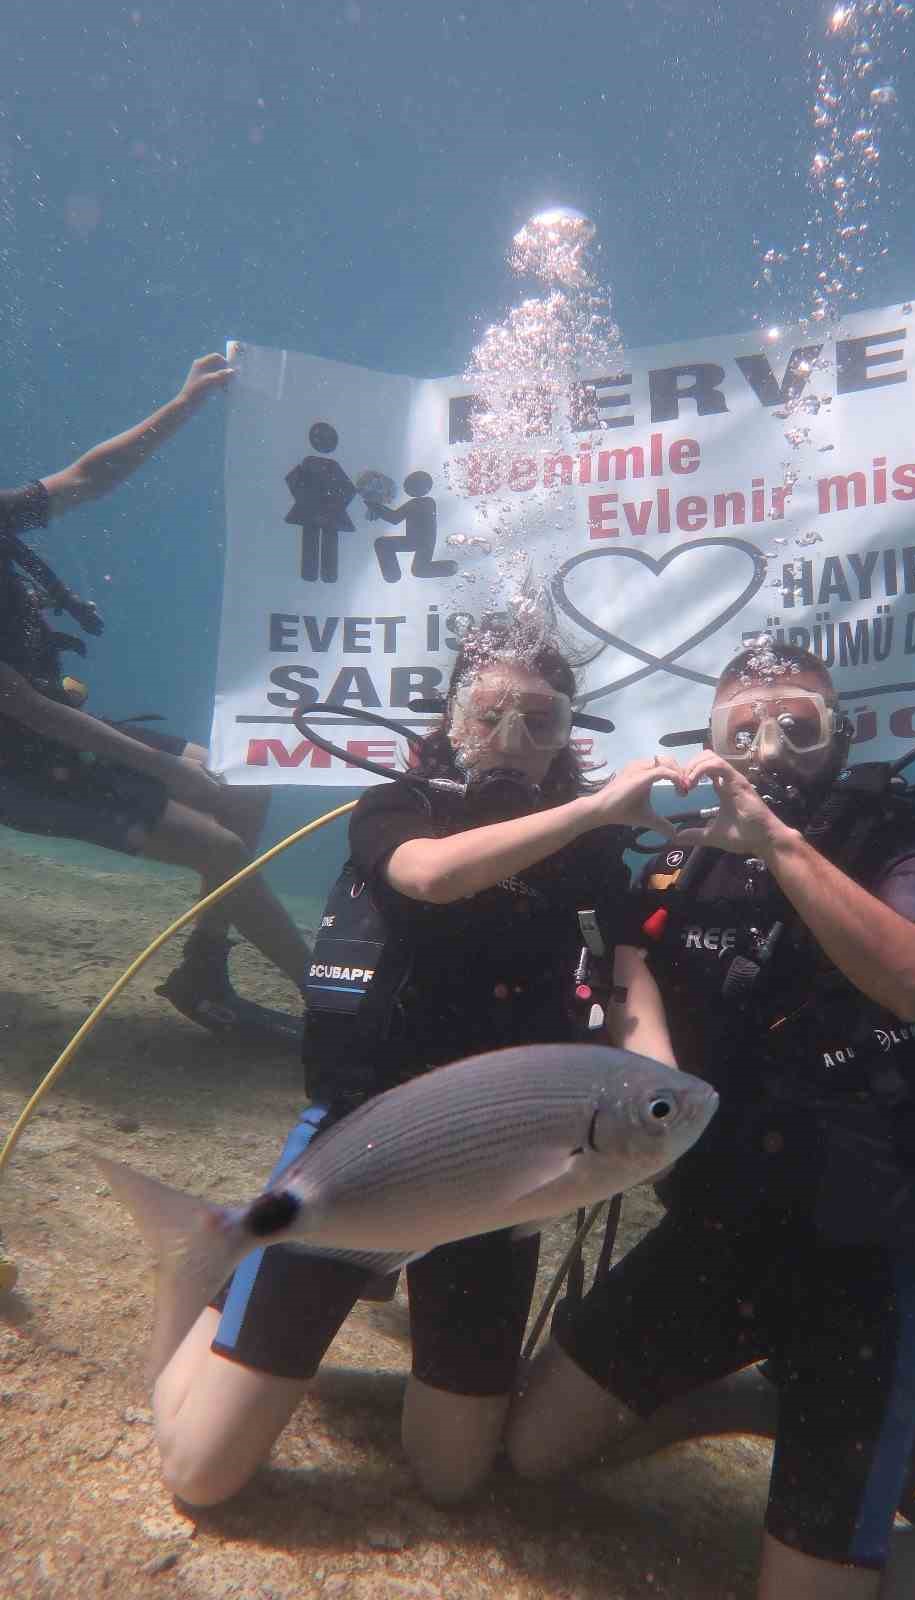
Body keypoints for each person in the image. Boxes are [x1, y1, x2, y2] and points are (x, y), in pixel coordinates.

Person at [506, 642, 915, 1600]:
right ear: (709, 742)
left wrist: (779, 845)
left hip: (874, 1251)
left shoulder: (909, 840)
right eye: (742, 729)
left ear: (841, 736)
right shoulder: (684, 859)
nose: (769, 746)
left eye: (797, 724)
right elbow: (632, 966)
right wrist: (648, 1077)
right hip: (728, 1225)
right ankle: (756, 1398)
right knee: (531, 1451)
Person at [147, 620, 684, 1509]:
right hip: (364, 1137)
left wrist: (665, 1095)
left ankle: (333, 1303)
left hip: (505, 1162)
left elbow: (630, 981)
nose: (511, 738)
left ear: (568, 733)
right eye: (488, 713)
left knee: (453, 1477)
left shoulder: (593, 856)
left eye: (540, 720)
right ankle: (238, 1287)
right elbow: (433, 877)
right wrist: (592, 810)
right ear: (450, 720)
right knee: (198, 1475)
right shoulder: (400, 805)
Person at [0, 353, 309, 1044]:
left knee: (245, 780)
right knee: (220, 847)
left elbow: (88, 476)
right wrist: (166, 767)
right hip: (16, 767)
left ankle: (205, 970)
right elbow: (18, 705)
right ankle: (334, 1009)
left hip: (54, 736)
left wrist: (184, 403)